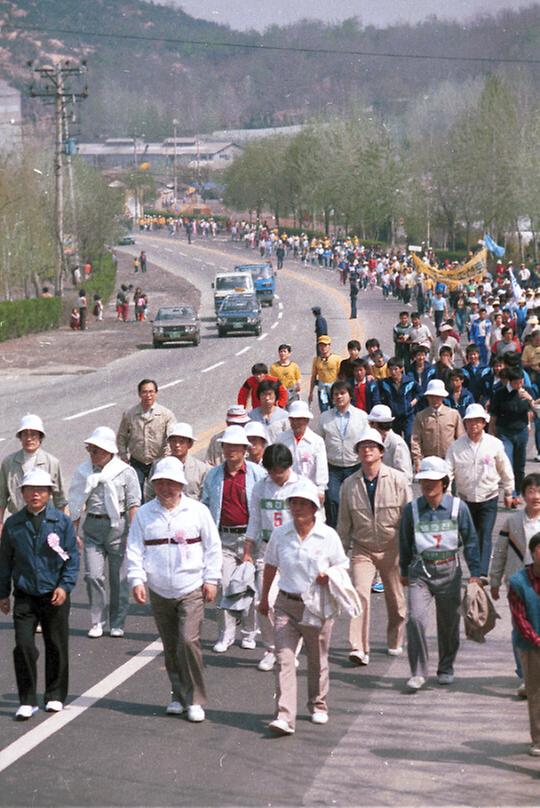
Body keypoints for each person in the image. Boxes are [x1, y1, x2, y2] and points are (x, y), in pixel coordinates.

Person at [127, 457, 222, 723]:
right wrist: (137, 580)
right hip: (159, 590)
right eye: (160, 483)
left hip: (190, 587)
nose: (166, 488)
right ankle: (178, 695)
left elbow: (213, 547)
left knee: (188, 640)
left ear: (180, 484)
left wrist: (211, 579)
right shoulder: (145, 514)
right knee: (170, 646)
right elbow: (134, 549)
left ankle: (195, 700)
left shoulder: (197, 511)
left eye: (171, 483)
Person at [259, 479, 349, 735]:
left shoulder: (327, 536)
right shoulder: (280, 534)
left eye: (303, 504)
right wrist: (265, 598)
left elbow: (342, 565)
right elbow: (271, 565)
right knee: (284, 659)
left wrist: (328, 575)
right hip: (286, 604)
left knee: (316, 657)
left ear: (314, 508)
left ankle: (318, 703)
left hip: (317, 606)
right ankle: (285, 716)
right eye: (294, 503)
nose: (298, 508)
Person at [0, 469, 79, 720]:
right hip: (25, 594)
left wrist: (64, 586)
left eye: (41, 490)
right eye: (30, 489)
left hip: (54, 593)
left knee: (56, 644)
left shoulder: (61, 522)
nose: (35, 494)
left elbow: (72, 559)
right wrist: (3, 593)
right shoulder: (13, 524)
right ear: (22, 493)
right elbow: (5, 561)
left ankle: (55, 695)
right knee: (23, 645)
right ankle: (27, 699)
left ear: (49, 493)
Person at [399, 457, 481, 691]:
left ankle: (446, 667)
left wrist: (475, 572)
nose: (428, 485)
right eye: (424, 481)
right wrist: (404, 569)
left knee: (448, 623)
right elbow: (404, 541)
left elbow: (471, 540)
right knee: (415, 618)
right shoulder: (412, 509)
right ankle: (417, 671)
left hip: (449, 571)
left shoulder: (458, 508)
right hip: (420, 572)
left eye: (433, 481)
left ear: (444, 482)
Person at [338, 428, 411, 667]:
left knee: (396, 602)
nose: (367, 450)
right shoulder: (349, 484)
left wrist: (410, 553)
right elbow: (344, 524)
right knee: (360, 594)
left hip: (393, 547)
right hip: (363, 549)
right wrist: (338, 559)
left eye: (372, 446)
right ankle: (359, 647)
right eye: (362, 446)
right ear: (357, 452)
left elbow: (409, 519)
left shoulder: (398, 480)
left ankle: (394, 639)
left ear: (381, 451)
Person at [68, 427, 140, 638]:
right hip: (92, 528)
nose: (93, 454)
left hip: (118, 527)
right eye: (91, 450)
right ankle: (97, 620)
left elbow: (134, 502)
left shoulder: (125, 471)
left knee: (119, 579)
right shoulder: (84, 472)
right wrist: (74, 530)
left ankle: (117, 622)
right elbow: (75, 502)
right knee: (93, 576)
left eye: (97, 450)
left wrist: (134, 532)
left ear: (109, 451)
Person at [202, 425, 266, 653]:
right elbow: (206, 504)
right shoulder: (214, 475)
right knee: (225, 586)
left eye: (236, 447)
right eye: (227, 446)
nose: (231, 451)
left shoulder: (257, 474)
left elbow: (262, 507)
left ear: (244, 449)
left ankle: (249, 633)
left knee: (250, 589)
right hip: (224, 539)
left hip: (252, 539)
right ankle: (226, 634)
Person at [243, 444, 300, 672]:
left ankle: (288, 651)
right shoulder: (260, 487)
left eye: (281, 471)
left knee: (292, 605)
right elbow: (255, 520)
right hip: (267, 552)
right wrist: (247, 550)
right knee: (263, 602)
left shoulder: (302, 486)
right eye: (272, 471)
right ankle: (271, 647)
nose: (276, 476)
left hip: (294, 551)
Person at [446, 403, 514, 576]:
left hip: (489, 497)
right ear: (465, 423)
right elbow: (448, 472)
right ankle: (474, 569)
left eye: (478, 421)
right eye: (470, 421)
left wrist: (508, 491)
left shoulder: (494, 444)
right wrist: (446, 494)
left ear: (484, 423)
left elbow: (504, 468)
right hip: (465, 499)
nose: (474, 425)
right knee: (470, 537)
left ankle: (481, 574)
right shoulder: (456, 447)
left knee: (484, 535)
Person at [491, 473, 540, 697]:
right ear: (523, 495)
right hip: (520, 583)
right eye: (530, 491)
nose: (536, 496)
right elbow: (500, 552)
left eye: (539, 491)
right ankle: (524, 675)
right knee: (520, 627)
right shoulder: (512, 522)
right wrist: (494, 580)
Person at [0, 414, 67, 535]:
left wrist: (62, 528)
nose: (29, 439)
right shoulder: (9, 463)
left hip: (46, 522)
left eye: (33, 434)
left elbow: (60, 499)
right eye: (25, 434)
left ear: (40, 437)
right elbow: (1, 498)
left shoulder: (52, 462)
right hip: (18, 522)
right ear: (20, 437)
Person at [314, 380, 368, 527]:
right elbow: (317, 443)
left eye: (342, 393)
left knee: (356, 500)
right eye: (336, 394)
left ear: (350, 396)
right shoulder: (325, 417)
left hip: (355, 466)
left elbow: (367, 441)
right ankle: (334, 532)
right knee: (332, 500)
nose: (339, 397)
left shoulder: (362, 416)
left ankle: (355, 531)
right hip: (333, 467)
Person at [507, 533, 540, 757]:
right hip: (530, 645)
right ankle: (538, 738)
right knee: (536, 693)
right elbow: (519, 619)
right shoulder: (518, 582)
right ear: (533, 552)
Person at [117, 379, 176, 493]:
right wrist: (123, 456)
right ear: (139, 394)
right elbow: (122, 436)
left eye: (151, 392)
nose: (148, 395)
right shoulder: (130, 414)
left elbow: (171, 438)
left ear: (156, 393)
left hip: (157, 461)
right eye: (144, 392)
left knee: (157, 492)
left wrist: (166, 458)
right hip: (136, 461)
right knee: (135, 493)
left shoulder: (166, 414)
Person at [490, 367, 533, 505]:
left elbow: (532, 411)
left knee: (519, 465)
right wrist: (492, 432)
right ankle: (511, 493)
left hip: (521, 431)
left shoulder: (526, 391)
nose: (519, 385)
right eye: (516, 383)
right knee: (507, 462)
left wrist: (529, 399)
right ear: (509, 381)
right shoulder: (500, 394)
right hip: (504, 432)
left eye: (521, 382)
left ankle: (518, 492)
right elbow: (494, 415)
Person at [277, 400, 328, 502]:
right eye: (293, 419)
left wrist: (321, 489)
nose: (296, 423)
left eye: (299, 419)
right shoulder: (281, 439)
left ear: (307, 420)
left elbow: (321, 467)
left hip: (310, 490)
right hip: (287, 490)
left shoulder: (316, 441)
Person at [410, 379, 464, 472]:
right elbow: (416, 439)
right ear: (427, 397)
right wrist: (417, 460)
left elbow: (461, 437)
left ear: (443, 397)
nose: (434, 399)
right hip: (429, 461)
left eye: (438, 397)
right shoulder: (421, 416)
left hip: (450, 460)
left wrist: (461, 457)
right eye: (431, 396)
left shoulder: (453, 414)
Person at [145, 422, 208, 501]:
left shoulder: (201, 469)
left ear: (190, 444)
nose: (177, 445)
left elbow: (205, 497)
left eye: (181, 442)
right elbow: (150, 492)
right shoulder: (159, 465)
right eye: (174, 441)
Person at [368, 405, 413, 487]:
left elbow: (405, 475)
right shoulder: (376, 440)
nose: (369, 426)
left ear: (376, 424)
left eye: (371, 423)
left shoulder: (397, 443)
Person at [379, 357, 420, 445]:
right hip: (393, 418)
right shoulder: (384, 383)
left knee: (410, 438)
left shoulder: (410, 381)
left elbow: (420, 393)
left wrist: (413, 402)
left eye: (396, 369)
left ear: (401, 369)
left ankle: (411, 458)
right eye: (391, 369)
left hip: (408, 416)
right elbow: (377, 395)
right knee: (395, 441)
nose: (393, 372)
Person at [308, 335, 342, 414]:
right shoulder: (316, 360)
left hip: (334, 389)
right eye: (321, 345)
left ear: (329, 346)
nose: (323, 347)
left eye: (325, 345)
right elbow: (313, 376)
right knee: (324, 412)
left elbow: (342, 376)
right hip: (322, 389)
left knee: (336, 410)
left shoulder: (337, 359)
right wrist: (310, 393)